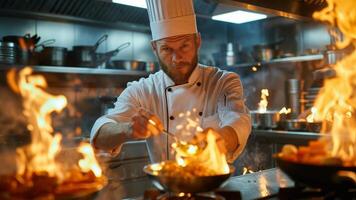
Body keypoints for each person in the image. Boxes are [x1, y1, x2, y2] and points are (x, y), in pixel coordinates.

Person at [90, 0, 251, 163]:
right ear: (154, 48)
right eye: (167, 49)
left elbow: (238, 121)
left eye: (184, 46)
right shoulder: (142, 91)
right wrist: (128, 130)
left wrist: (217, 141)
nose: (176, 59)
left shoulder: (223, 81)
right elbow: (100, 137)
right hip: (166, 186)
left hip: (215, 184)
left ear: (197, 41)